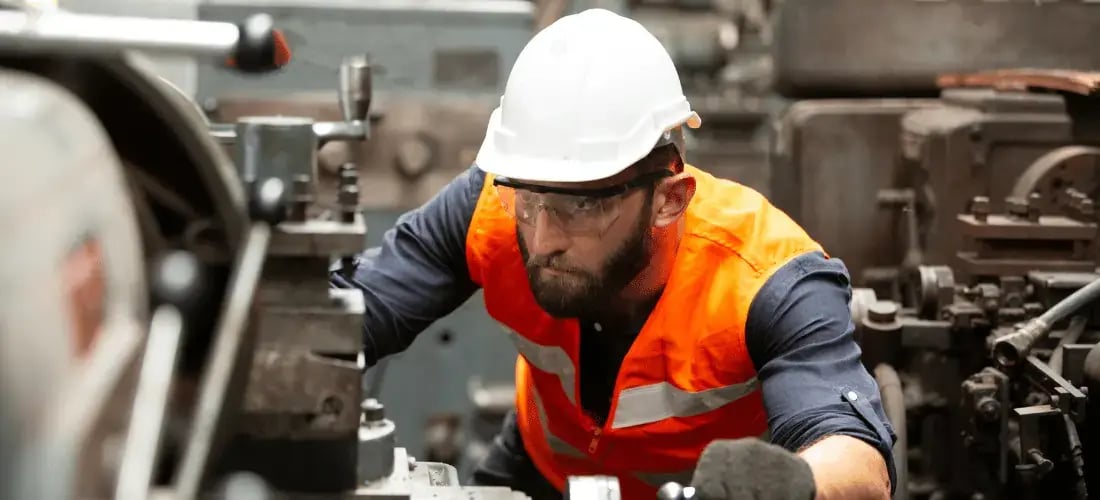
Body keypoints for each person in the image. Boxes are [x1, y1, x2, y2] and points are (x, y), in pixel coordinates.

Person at [332, 8, 895, 500]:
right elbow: (349, 314)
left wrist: (790, 485)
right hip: (543, 470)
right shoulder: (493, 208)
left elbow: (858, 464)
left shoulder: (767, 279)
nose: (543, 238)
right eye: (529, 200)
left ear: (669, 200)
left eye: (581, 207)